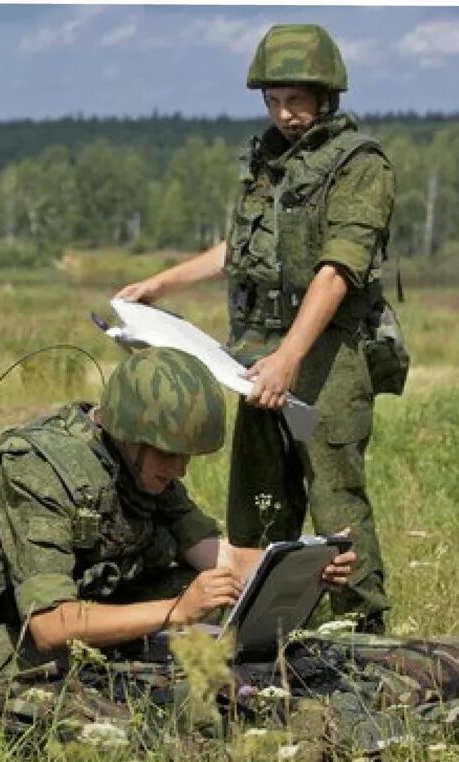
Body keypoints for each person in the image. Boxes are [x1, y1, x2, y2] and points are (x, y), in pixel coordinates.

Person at [0, 348, 355, 727]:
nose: (181, 469)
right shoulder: (36, 475)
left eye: (187, 456)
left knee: (213, 604)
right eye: (171, 454)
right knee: (82, 719)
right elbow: (51, 626)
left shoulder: (144, 471)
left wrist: (307, 566)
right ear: (131, 435)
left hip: (80, 605)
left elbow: (222, 560)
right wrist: (176, 611)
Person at [117, 23, 394, 633]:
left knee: (336, 504)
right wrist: (160, 285)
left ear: (326, 96)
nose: (286, 114)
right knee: (259, 505)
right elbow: (242, 249)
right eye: (274, 100)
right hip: (257, 357)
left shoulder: (359, 165)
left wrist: (290, 359)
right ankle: (268, 626)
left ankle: (367, 639)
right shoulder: (269, 160)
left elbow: (336, 271)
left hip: (326, 359)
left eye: (297, 100)